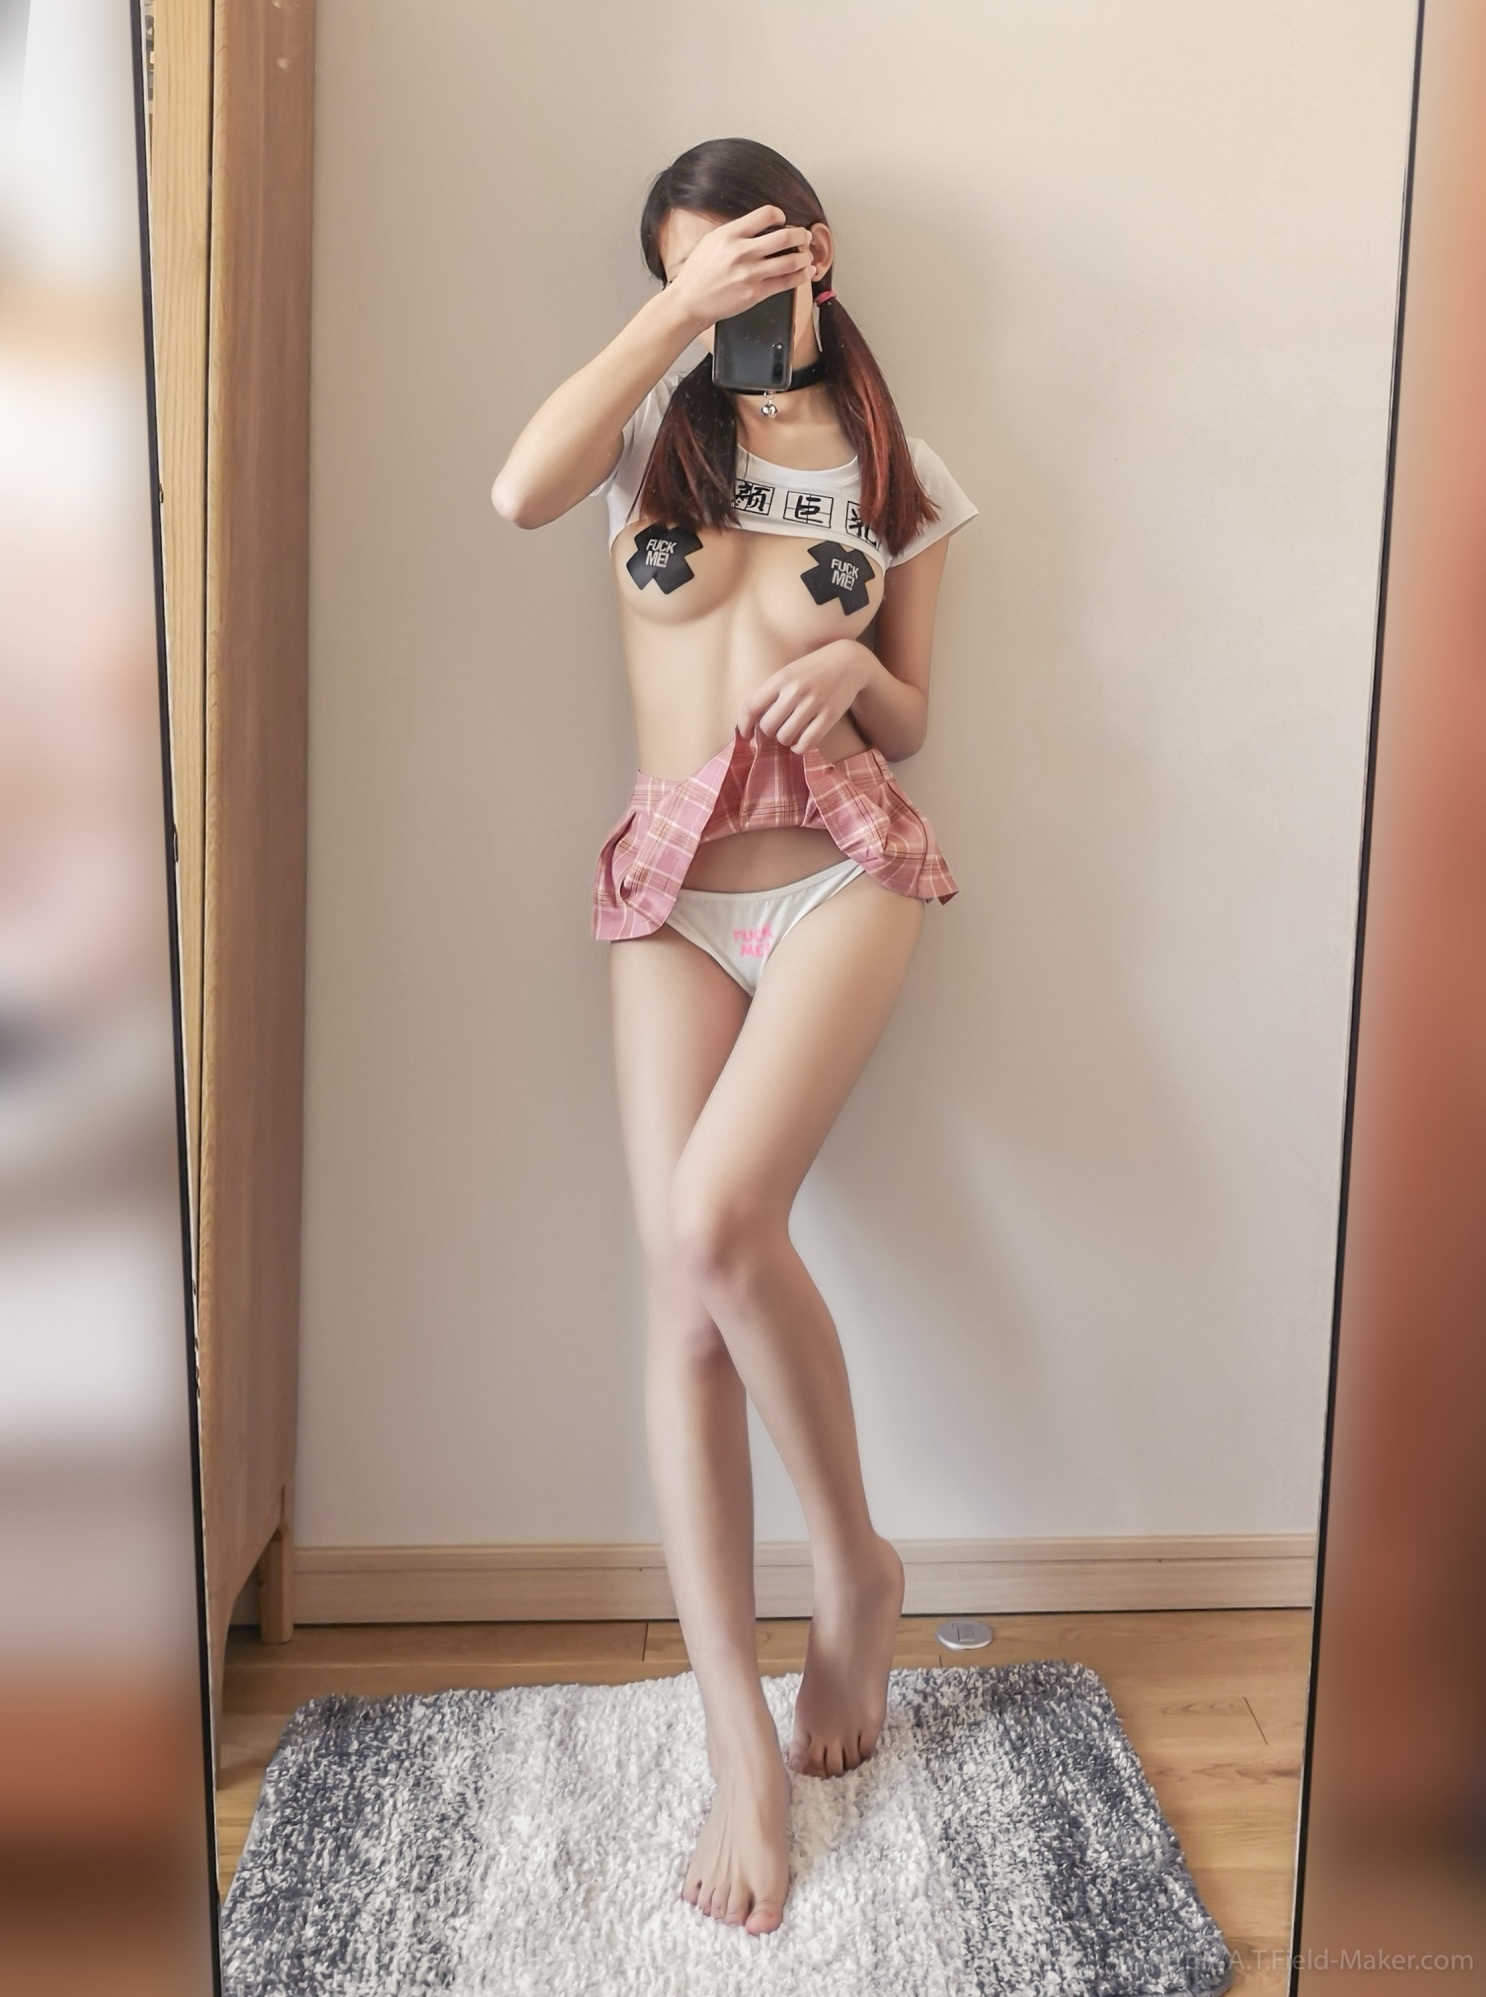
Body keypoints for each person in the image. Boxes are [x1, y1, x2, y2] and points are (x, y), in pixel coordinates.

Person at [492, 137, 975, 1938]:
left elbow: (913, 715)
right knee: (681, 1308)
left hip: (840, 868)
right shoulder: (649, 431)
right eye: (689, 270)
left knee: (714, 1221)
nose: (723, 298)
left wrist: (860, 677)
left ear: (814, 252)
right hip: (672, 888)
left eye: (746, 262)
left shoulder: (895, 460)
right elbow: (516, 492)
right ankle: (736, 1750)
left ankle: (854, 1571)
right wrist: (666, 324)